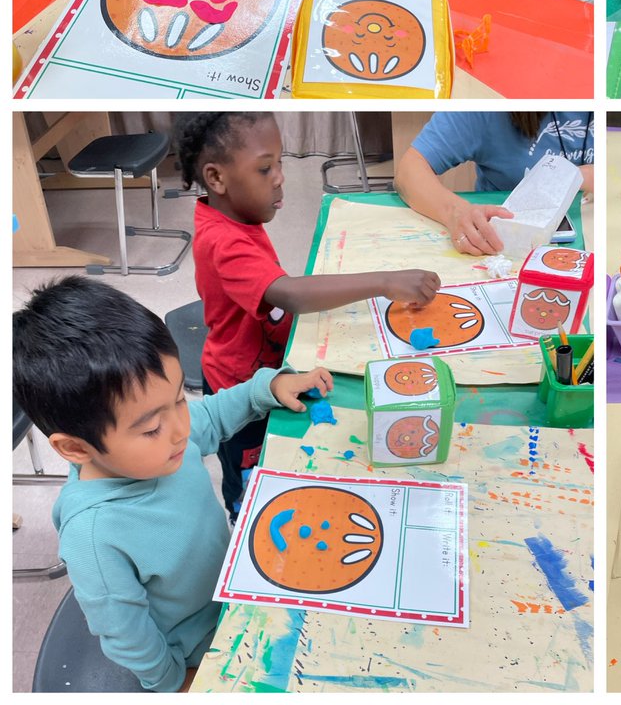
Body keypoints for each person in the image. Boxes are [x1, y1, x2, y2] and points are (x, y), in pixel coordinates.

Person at [13, 277, 333, 692]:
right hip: (203, 643)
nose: (181, 428)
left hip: (234, 581)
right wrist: (175, 683)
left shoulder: (165, 442)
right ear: (75, 447)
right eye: (150, 428)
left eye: (180, 398)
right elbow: (128, 637)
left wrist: (265, 388)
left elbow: (212, 417)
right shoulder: (94, 538)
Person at [174, 112, 439, 518]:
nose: (279, 177)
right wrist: (384, 281)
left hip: (268, 369)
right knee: (251, 482)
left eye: (279, 163)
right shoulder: (223, 241)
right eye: (265, 168)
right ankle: (240, 514)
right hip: (241, 389)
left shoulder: (235, 214)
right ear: (216, 178)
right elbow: (291, 295)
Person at [394, 112, 595, 256]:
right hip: (502, 248)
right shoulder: (486, 111)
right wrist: (457, 213)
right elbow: (409, 172)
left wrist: (580, 175)